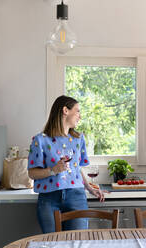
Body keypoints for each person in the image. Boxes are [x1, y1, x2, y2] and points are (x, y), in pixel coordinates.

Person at [27, 95, 106, 233]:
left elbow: (76, 168)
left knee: (77, 242)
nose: (79, 116)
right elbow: (32, 173)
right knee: (52, 243)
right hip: (49, 198)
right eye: (77, 111)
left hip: (76, 196)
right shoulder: (40, 140)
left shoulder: (78, 139)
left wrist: (89, 187)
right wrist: (53, 170)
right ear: (65, 110)